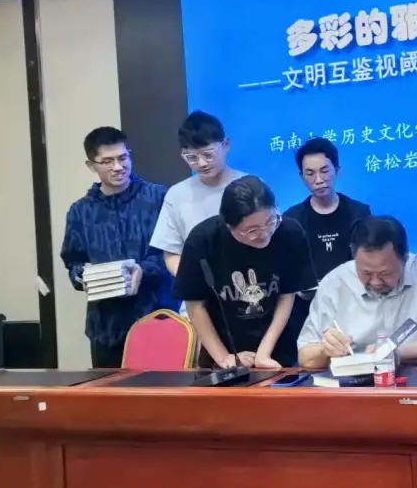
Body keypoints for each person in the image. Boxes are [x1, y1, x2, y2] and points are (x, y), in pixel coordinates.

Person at [173, 175, 315, 368]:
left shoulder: (290, 233)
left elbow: (287, 294)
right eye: (252, 230)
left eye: (270, 221)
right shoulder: (203, 241)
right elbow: (195, 305)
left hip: (281, 347)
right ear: (229, 225)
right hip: (223, 349)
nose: (264, 234)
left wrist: (264, 353)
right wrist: (224, 357)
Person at [60, 127, 172, 368]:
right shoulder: (81, 211)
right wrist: (81, 275)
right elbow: (73, 261)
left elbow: (172, 252)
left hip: (157, 316)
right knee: (109, 390)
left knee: (161, 390)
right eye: (107, 161)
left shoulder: (158, 197)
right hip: (106, 327)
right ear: (92, 166)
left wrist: (143, 269)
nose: (118, 167)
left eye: (123, 158)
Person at [298, 215, 417, 369]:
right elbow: (305, 357)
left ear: (405, 258)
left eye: (385, 273)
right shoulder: (334, 283)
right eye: (366, 273)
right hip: (356, 383)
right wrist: (325, 349)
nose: (375, 282)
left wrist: (389, 353)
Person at [282, 137, 371, 347]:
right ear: (301, 176)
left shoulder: (359, 213)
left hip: (354, 307)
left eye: (324, 171)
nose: (319, 179)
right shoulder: (292, 220)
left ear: (336, 171)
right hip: (308, 312)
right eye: (310, 173)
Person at [150, 111, 245, 278]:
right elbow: (172, 252)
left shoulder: (251, 186)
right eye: (192, 158)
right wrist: (192, 282)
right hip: (199, 287)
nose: (202, 163)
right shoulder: (176, 195)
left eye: (208, 154)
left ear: (225, 145)